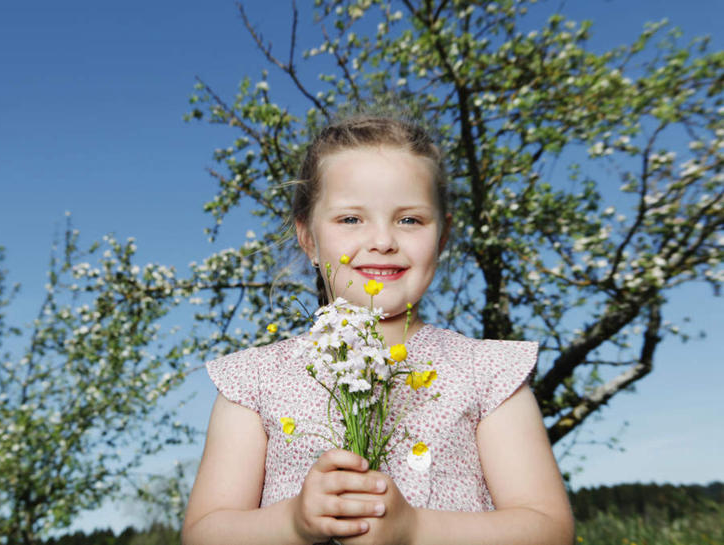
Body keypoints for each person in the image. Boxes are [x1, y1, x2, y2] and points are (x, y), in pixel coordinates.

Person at [182, 115, 574, 545]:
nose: (383, 240)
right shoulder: (255, 381)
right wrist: (292, 522)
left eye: (410, 220)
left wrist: (415, 529)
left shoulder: (487, 372)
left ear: (441, 239)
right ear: (308, 239)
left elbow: (549, 530)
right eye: (351, 219)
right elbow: (204, 534)